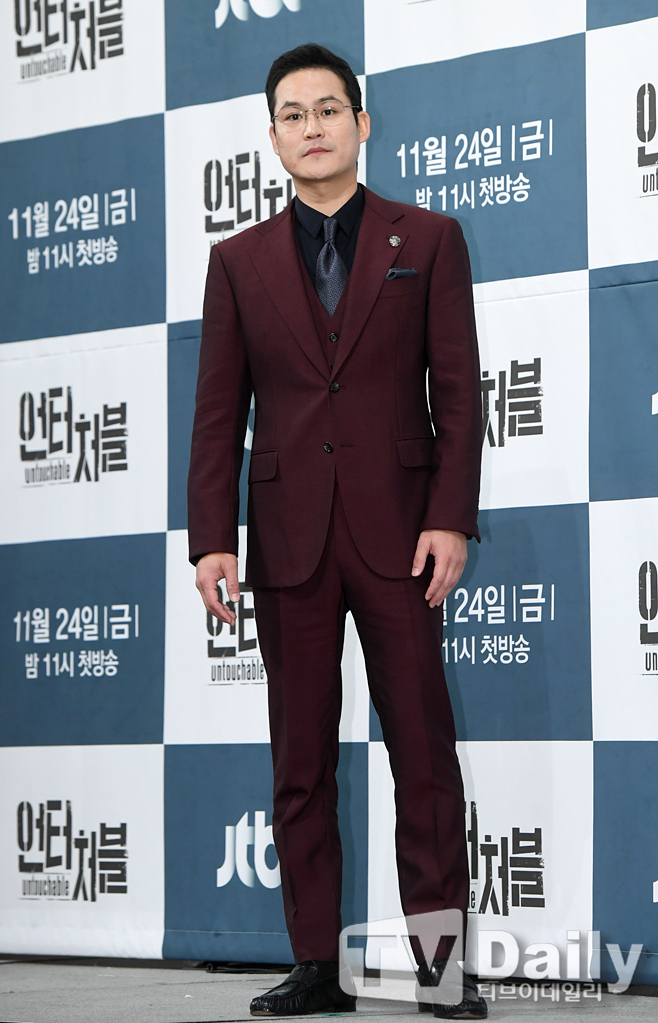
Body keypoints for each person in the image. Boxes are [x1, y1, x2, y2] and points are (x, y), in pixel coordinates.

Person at [188, 43, 486, 1022]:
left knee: (423, 755)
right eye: (292, 114)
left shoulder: (429, 238)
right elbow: (218, 413)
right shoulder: (236, 263)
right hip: (286, 541)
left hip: (402, 535)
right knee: (300, 760)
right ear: (273, 138)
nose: (311, 127)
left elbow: (458, 395)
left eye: (328, 109)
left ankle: (442, 969)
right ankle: (317, 964)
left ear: (361, 123)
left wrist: (450, 517)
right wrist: (212, 538)